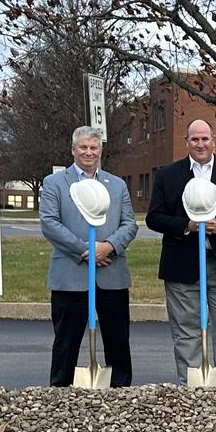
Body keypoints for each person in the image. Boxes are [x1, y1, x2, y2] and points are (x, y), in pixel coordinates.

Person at [146, 119, 216, 380]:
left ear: (213, 140)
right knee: (187, 331)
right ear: (186, 141)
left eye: (205, 138)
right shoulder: (167, 176)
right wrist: (186, 225)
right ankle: (192, 388)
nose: (200, 144)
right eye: (194, 139)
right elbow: (154, 218)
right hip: (182, 266)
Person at [39, 125, 138, 387]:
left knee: (118, 341)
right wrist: (86, 251)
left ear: (100, 151)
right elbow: (49, 223)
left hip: (111, 274)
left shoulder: (117, 185)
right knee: (66, 342)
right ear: (73, 150)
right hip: (70, 276)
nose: (88, 152)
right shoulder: (54, 184)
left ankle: (120, 392)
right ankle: (60, 393)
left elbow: (129, 224)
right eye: (83, 147)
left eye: (94, 147)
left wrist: (109, 246)